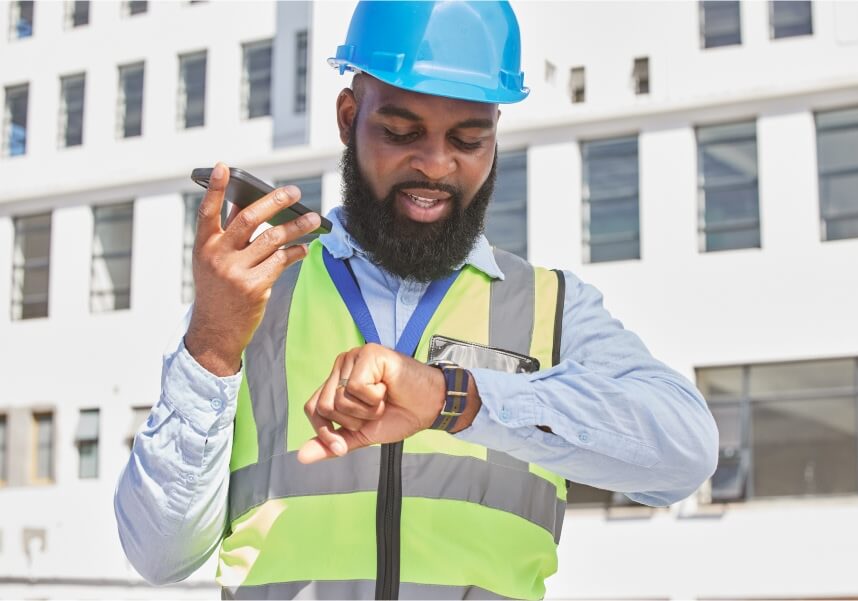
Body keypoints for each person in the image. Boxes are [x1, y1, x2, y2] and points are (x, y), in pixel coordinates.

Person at [114, 1, 718, 599]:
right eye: (400, 132)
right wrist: (213, 347)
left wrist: (453, 397)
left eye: (468, 139)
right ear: (348, 116)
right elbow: (159, 554)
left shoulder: (551, 307)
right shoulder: (254, 297)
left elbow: (685, 454)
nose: (434, 164)